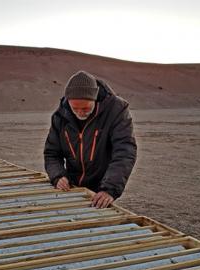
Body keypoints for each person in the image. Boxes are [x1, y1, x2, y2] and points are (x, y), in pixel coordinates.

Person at [44, 71, 137, 209]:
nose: (80, 113)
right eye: (75, 108)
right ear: (68, 101)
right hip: (72, 187)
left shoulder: (116, 111)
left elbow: (125, 152)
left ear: (95, 98)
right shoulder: (60, 116)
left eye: (86, 108)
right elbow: (52, 153)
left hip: (102, 186)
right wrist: (58, 176)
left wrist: (109, 189)